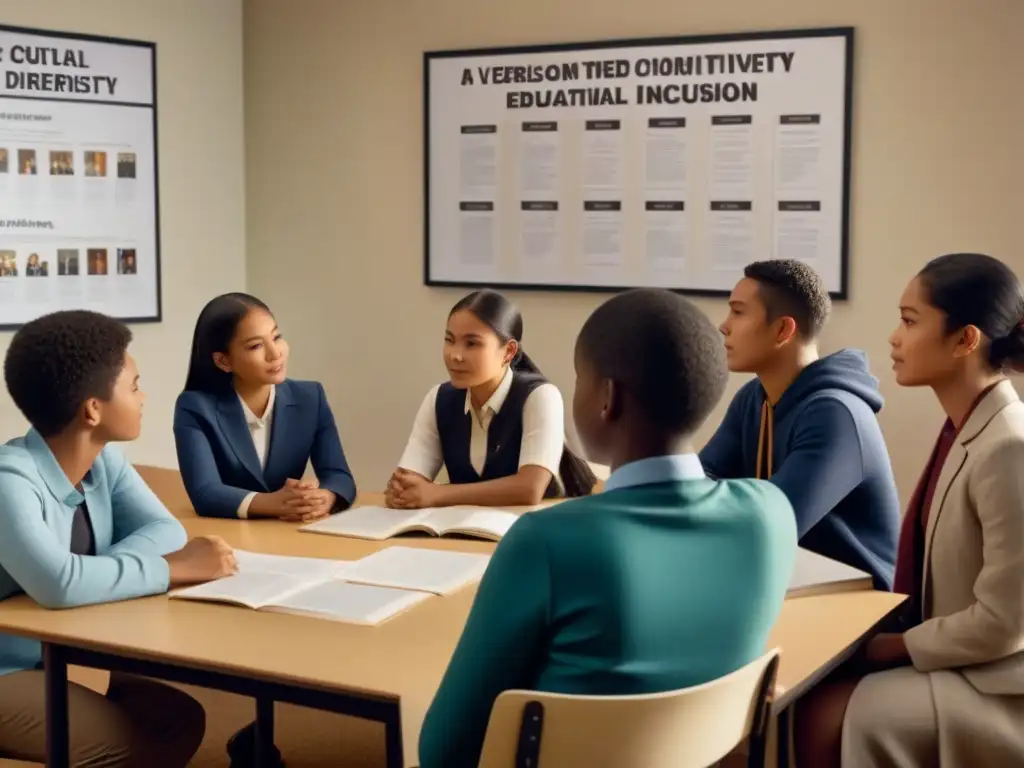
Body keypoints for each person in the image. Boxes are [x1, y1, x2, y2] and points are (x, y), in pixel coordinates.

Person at [418, 289, 798, 768]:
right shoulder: (771, 514)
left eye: (580, 378)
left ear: (606, 397)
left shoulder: (547, 543)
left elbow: (442, 751)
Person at [795, 252, 1024, 767]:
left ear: (966, 340)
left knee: (822, 709)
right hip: (965, 660)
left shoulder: (1009, 446)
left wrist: (889, 647)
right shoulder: (967, 428)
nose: (894, 338)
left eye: (909, 320)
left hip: (1000, 685)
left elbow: (1003, 625)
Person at [0, 309, 239, 766]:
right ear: (92, 409)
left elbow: (165, 529)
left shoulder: (103, 461)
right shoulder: (9, 478)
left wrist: (101, 572)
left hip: (53, 650)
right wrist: (173, 568)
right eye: (134, 386)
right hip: (7, 666)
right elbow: (59, 584)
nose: (144, 397)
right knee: (131, 745)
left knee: (179, 718)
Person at [700, 259, 900, 589]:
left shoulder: (836, 413)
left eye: (738, 312)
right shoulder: (755, 396)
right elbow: (701, 480)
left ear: (783, 330)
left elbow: (772, 524)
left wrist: (710, 499)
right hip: (788, 582)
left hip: (857, 602)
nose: (724, 326)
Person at [387, 289, 596, 509]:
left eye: (472, 344)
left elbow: (529, 489)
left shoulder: (541, 396)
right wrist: (402, 493)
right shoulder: (439, 399)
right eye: (450, 340)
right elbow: (407, 482)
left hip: (536, 531)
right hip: (463, 533)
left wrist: (438, 494)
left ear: (508, 352)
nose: (455, 355)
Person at [174, 292, 357, 522]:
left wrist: (324, 497)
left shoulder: (311, 397)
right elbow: (205, 492)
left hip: (292, 534)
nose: (275, 353)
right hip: (228, 535)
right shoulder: (195, 407)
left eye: (277, 337)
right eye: (256, 346)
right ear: (223, 361)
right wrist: (275, 503)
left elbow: (339, 476)